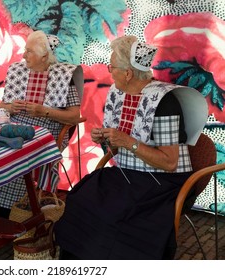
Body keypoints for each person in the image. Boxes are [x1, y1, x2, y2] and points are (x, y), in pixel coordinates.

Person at [54, 35, 208, 259]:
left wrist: (127, 141)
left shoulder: (164, 102)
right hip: (130, 175)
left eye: (112, 67)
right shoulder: (118, 93)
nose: (109, 71)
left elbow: (169, 162)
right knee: (81, 199)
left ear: (128, 73)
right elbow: (118, 145)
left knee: (112, 215)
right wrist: (105, 138)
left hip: (163, 181)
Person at [0, 30, 83, 218]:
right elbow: (2, 105)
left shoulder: (64, 77)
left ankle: (12, 214)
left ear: (44, 56)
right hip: (14, 125)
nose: (24, 55)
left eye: (29, 51)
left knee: (16, 155)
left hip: (47, 132)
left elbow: (74, 117)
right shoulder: (19, 71)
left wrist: (44, 111)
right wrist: (12, 107)